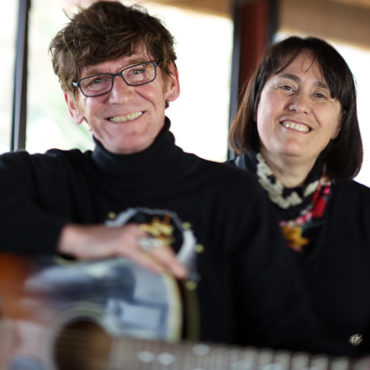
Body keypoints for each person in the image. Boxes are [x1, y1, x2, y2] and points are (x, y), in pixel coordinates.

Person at [0, 3, 357, 366]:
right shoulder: (47, 180)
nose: (119, 95)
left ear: (171, 81)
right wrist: (77, 238)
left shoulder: (232, 195)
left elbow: (287, 334)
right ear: (73, 104)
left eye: (137, 72)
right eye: (95, 80)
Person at [229, 35, 370, 357]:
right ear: (255, 104)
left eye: (320, 94)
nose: (300, 105)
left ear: (338, 124)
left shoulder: (364, 212)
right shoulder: (206, 194)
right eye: (286, 87)